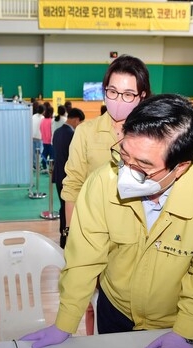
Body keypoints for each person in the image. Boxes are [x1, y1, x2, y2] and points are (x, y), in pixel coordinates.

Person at [22, 94, 193, 348]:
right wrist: (65, 322)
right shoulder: (103, 182)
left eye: (143, 166)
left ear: (181, 167)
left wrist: (186, 331)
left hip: (175, 320)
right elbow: (84, 259)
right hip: (114, 309)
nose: (126, 172)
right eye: (123, 155)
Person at [62, 54, 152, 333]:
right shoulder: (87, 132)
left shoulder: (151, 135)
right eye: (112, 92)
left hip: (139, 237)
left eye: (127, 94)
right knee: (94, 302)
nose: (118, 100)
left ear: (142, 96)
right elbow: (73, 186)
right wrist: (71, 235)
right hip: (97, 234)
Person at [51, 108, 85, 248]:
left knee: (62, 206)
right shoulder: (72, 134)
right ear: (76, 119)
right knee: (69, 207)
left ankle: (63, 235)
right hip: (69, 178)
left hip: (58, 175)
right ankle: (68, 238)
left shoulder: (58, 132)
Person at [39, 105, 54, 173]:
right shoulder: (51, 121)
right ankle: (50, 168)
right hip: (50, 141)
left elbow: (40, 129)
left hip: (44, 140)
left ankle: (44, 166)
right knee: (51, 155)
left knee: (44, 154)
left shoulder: (42, 120)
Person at [31, 103, 45, 170]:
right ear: (43, 111)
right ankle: (37, 165)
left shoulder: (33, 116)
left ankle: (34, 165)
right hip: (39, 137)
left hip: (32, 136)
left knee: (33, 152)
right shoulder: (43, 118)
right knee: (39, 153)